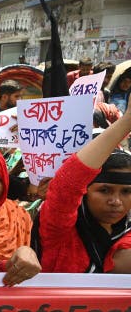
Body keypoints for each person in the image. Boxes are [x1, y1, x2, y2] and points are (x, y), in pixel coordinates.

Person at [35, 107, 131, 273]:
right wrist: (127, 121)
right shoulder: (60, 229)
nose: (115, 201)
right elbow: (68, 184)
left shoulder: (126, 232)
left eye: (126, 192)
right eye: (104, 190)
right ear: (84, 192)